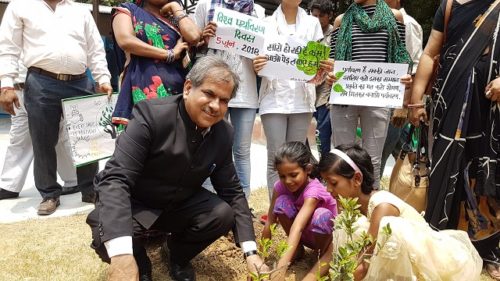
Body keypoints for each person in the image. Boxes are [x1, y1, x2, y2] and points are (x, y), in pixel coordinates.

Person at [86, 56, 267, 281]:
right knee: (107, 229)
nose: (215, 106)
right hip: (137, 203)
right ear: (188, 87)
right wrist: (122, 256)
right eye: (209, 94)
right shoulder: (150, 115)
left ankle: (177, 255)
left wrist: (250, 252)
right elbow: (116, 179)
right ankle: (141, 265)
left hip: (178, 204)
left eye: (223, 100)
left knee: (222, 214)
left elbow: (232, 191)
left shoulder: (223, 133)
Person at [409, 0, 500, 278]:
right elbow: (429, 53)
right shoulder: (449, 6)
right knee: (446, 168)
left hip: (490, 110)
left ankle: (489, 250)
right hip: (449, 103)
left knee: (486, 173)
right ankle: (441, 238)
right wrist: (416, 99)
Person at [0, 0, 112, 215]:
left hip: (80, 81)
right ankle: (50, 194)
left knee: (88, 138)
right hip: (42, 81)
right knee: (43, 140)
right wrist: (6, 83)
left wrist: (103, 78)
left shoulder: (79, 11)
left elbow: (95, 48)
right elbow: (8, 47)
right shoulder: (21, 6)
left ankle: (90, 189)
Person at [318, 143, 483, 281]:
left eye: (333, 183)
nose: (328, 189)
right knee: (352, 225)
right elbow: (332, 252)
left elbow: (363, 262)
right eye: (326, 182)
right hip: (393, 263)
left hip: (430, 263)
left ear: (357, 179)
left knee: (388, 228)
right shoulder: (347, 204)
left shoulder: (382, 207)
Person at [325, 0, 412, 189]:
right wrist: (330, 75)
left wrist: (404, 79)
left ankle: (371, 208)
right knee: (342, 157)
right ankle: (343, 213)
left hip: (379, 97)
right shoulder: (342, 20)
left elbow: (400, 56)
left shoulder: (394, 16)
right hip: (344, 96)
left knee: (373, 160)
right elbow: (333, 60)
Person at [253, 0, 324, 199]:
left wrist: (320, 70)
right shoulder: (266, 23)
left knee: (296, 159)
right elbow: (257, 60)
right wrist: (256, 64)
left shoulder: (313, 24)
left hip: (302, 99)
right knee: (276, 157)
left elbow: (317, 65)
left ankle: (294, 206)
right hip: (273, 97)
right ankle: (276, 210)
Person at [194, 0, 259, 199]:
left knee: (241, 151)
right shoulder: (205, 4)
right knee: (208, 146)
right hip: (214, 88)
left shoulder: (257, 11)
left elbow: (262, 51)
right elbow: (193, 42)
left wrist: (260, 56)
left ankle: (243, 203)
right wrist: (203, 37)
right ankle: (206, 200)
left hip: (246, 90)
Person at [111, 0, 201, 125]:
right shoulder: (128, 10)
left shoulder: (176, 17)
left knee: (176, 139)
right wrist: (170, 54)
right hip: (144, 89)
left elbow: (194, 36)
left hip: (179, 90)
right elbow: (125, 40)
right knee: (146, 137)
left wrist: (175, 7)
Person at [0, 62, 79, 200]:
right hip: (17, 89)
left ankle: (73, 179)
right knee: (19, 136)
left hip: (44, 86)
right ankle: (10, 185)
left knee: (56, 134)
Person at [262, 141, 337, 281]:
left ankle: (319, 256)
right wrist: (260, 259)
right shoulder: (280, 187)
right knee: (281, 203)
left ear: (308, 169)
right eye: (282, 176)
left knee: (321, 215)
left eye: (293, 175)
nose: (288, 181)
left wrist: (281, 268)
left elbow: (298, 227)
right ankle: (297, 250)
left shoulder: (314, 190)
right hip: (305, 235)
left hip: (325, 238)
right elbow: (269, 222)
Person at [380, 0, 424, 177]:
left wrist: (403, 104)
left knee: (380, 154)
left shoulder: (408, 23)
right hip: (377, 97)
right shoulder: (376, 20)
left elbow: (413, 65)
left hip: (396, 101)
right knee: (402, 152)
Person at [309, 0, 335, 158]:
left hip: (326, 92)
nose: (317, 19)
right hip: (307, 89)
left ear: (330, 16)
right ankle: (311, 165)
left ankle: (325, 167)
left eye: (321, 16)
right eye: (314, 15)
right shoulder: (306, 31)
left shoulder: (335, 34)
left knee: (322, 134)